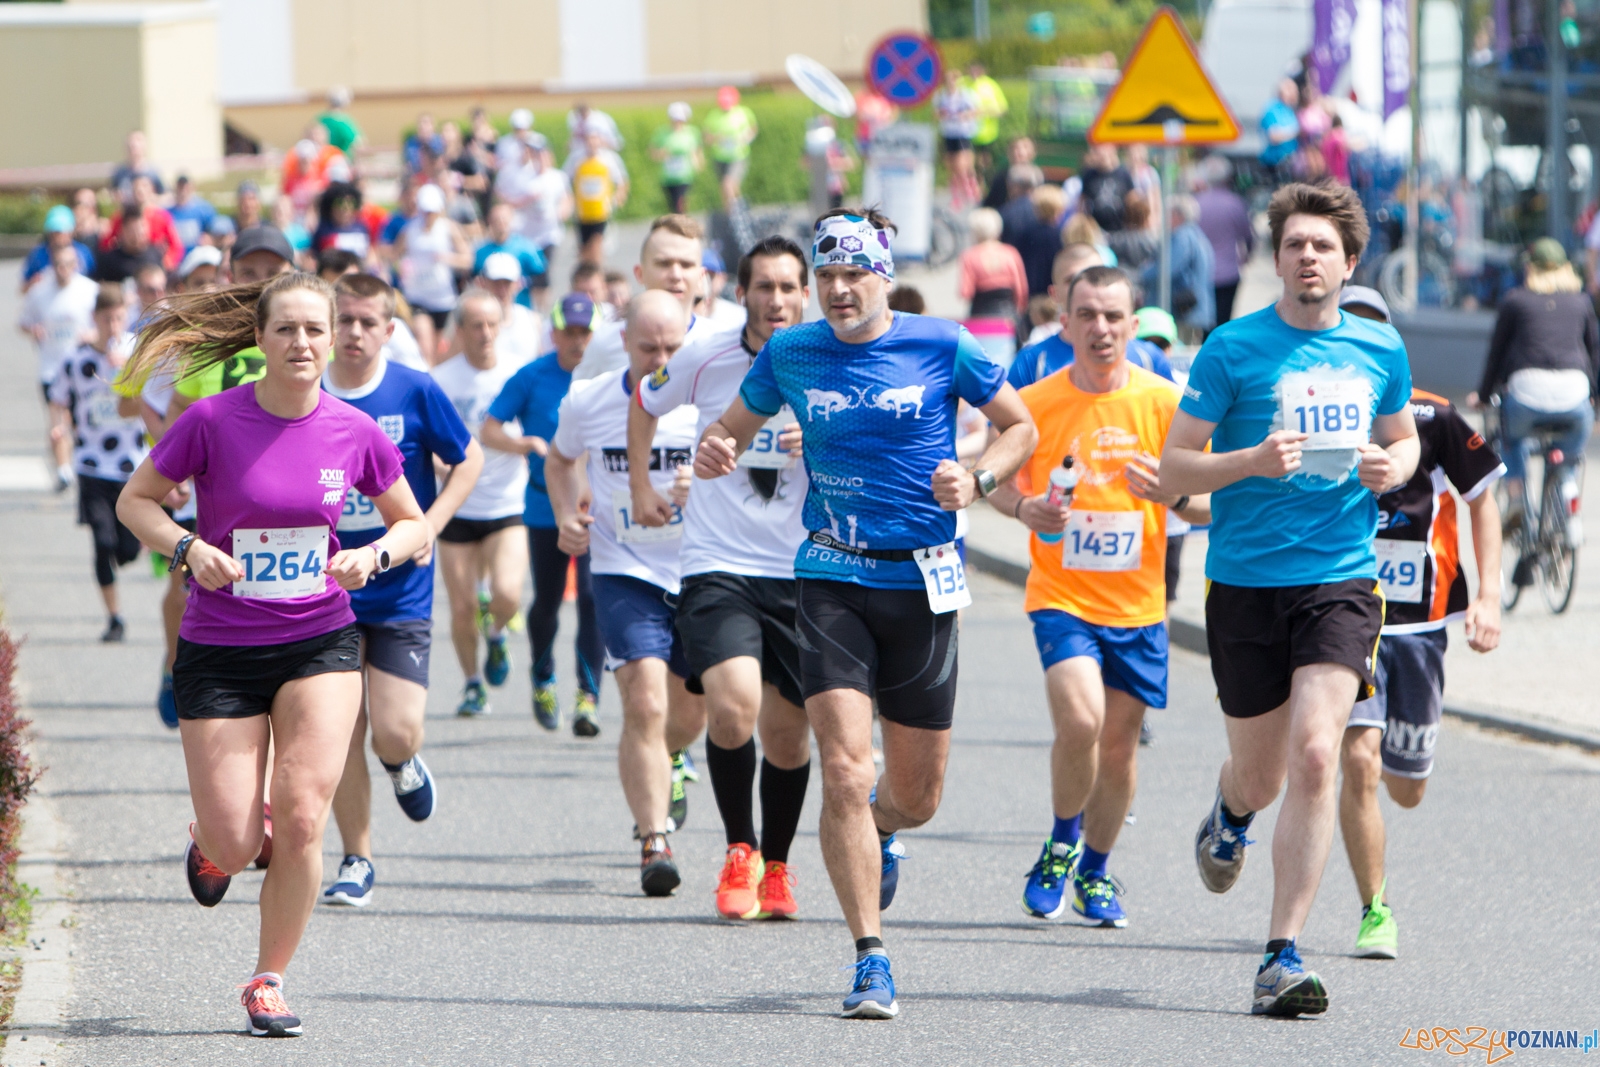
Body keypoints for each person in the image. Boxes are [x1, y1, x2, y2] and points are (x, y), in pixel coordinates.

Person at [693, 208, 1037, 1018]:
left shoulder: (943, 343)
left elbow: (1021, 425)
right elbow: (731, 428)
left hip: (922, 581)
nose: (839, 289)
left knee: (916, 795)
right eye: (827, 276)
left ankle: (883, 828)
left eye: (854, 274)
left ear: (883, 275)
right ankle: (870, 956)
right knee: (846, 770)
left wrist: (979, 480)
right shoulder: (790, 351)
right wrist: (716, 447)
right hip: (831, 575)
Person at [115, 271, 430, 1037]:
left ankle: (268, 980)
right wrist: (188, 547)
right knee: (238, 840)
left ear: (333, 338)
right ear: (258, 339)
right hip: (221, 645)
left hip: (320, 637)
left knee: (299, 816)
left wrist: (375, 555)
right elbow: (135, 500)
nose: (301, 342)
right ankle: (210, 842)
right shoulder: (212, 420)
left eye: (314, 329)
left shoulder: (354, 430)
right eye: (285, 328)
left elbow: (413, 522)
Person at [1160, 182, 1419, 1017]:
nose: (1308, 256)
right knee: (1262, 774)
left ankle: (1281, 955)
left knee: (1316, 754)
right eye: (1295, 244)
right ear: (1276, 258)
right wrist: (1250, 461)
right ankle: (1230, 809)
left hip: (1340, 578)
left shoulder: (1379, 347)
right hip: (1244, 582)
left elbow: (1404, 437)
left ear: (1350, 262)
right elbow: (1174, 467)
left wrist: (1392, 467)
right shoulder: (1231, 348)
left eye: (1323, 245)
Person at [986, 265, 1210, 927]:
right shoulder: (1035, 402)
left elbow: (1215, 502)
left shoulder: (1165, 402)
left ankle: (1095, 869)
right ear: (1065, 322)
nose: (1101, 328)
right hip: (1062, 595)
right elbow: (994, 479)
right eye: (1086, 314)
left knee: (1118, 747)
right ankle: (1061, 844)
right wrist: (1023, 507)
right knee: (1081, 722)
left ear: (1133, 326)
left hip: (1139, 604)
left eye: (1113, 316)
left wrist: (1171, 496)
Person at [629, 236, 814, 922]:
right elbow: (644, 400)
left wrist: (821, 440)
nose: (776, 300)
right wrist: (643, 483)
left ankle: (777, 865)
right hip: (718, 562)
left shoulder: (831, 362)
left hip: (802, 567)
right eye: (763, 286)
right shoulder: (704, 355)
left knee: (789, 735)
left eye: (788, 287)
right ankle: (740, 847)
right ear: (742, 294)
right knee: (734, 707)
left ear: (806, 295)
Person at [1334, 285, 1505, 960]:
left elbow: (1483, 499)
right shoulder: (1317, 414)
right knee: (1358, 761)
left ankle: (1382, 765)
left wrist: (1489, 596)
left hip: (1420, 626)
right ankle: (1374, 909)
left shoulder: (1435, 416)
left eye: (1374, 332)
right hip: (1345, 616)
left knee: (1406, 788)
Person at [320, 272, 484, 909]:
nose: (354, 333)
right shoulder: (306, 393)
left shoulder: (414, 390)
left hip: (398, 590)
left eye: (368, 322)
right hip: (324, 593)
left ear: (390, 330)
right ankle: (356, 858)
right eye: (345, 320)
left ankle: (402, 762)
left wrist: (429, 527)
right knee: (340, 730)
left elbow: (467, 459)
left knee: (393, 731)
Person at [545, 291, 707, 893]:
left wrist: (705, 481)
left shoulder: (709, 400)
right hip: (623, 570)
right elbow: (560, 461)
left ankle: (669, 760)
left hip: (700, 569)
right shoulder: (588, 400)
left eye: (672, 349)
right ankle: (653, 840)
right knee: (644, 705)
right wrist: (567, 515)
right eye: (648, 349)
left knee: (687, 716)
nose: (660, 361)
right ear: (623, 343)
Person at [481, 293, 604, 736]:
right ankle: (543, 676)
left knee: (591, 597)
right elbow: (489, 428)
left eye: (585, 332)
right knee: (548, 600)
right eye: (569, 332)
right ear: (553, 333)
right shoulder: (532, 376)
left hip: (597, 509)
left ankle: (588, 697)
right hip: (543, 505)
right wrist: (525, 444)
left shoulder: (610, 376)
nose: (578, 341)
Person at [429, 291, 528, 716]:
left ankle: (499, 632)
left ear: (501, 327)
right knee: (462, 606)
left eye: (491, 324)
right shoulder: (440, 380)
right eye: (475, 325)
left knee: (507, 594)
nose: (485, 333)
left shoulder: (518, 373)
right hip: (456, 504)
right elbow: (426, 437)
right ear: (460, 330)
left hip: (507, 501)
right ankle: (472, 684)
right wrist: (440, 466)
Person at [1473, 237, 1597, 539]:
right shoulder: (1581, 302)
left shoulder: (1515, 301)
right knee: (1569, 452)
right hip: (1575, 396)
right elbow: (1595, 353)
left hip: (1526, 397)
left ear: (1530, 268)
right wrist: (1595, 397)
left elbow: (1496, 354)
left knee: (1511, 437)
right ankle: (1567, 488)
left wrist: (1483, 395)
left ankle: (1516, 496)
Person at [50, 283, 144, 641]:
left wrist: (129, 372)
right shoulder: (77, 360)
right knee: (103, 543)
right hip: (91, 464)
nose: (113, 326)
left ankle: (132, 550)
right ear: (95, 318)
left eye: (119, 318)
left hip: (131, 464)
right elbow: (58, 398)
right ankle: (115, 618)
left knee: (128, 550)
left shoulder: (137, 354)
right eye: (107, 319)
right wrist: (58, 427)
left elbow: (157, 398)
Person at [1008, 245, 1174, 390]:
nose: (1086, 285)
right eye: (1072, 280)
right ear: (1054, 293)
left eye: (1094, 276)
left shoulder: (1148, 359)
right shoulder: (1033, 362)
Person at [575, 214, 711, 381]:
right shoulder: (605, 343)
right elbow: (580, 396)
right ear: (640, 273)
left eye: (686, 265)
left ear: (701, 276)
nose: (676, 275)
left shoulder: (718, 343)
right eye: (664, 263)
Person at [21, 241, 101, 488]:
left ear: (76, 265)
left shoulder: (90, 290)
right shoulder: (39, 291)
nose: (62, 269)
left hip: (83, 368)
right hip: (51, 368)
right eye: (58, 264)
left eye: (68, 264)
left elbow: (105, 322)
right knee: (58, 418)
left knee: (79, 420)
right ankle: (64, 469)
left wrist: (92, 335)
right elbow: (23, 322)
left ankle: (79, 461)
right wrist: (33, 330)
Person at [394, 184, 472, 362]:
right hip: (417, 295)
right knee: (424, 343)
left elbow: (467, 259)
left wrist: (447, 258)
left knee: (439, 349)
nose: (428, 215)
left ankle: (434, 374)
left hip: (442, 297)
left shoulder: (448, 228)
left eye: (432, 211)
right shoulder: (410, 229)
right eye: (425, 211)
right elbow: (395, 255)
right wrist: (402, 267)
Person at [494, 137, 571, 304]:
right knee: (528, 273)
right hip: (528, 233)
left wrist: (562, 212)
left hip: (549, 233)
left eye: (543, 154)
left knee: (543, 271)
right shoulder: (525, 176)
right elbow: (511, 201)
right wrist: (526, 200)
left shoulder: (558, 177)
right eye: (537, 154)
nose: (540, 158)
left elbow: (566, 198)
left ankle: (541, 306)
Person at [1140, 195, 1215, 337]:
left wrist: (1143, 273)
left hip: (1185, 314)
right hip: (1193, 313)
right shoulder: (1197, 234)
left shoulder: (1182, 236)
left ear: (1177, 215)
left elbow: (1166, 269)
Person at [1195, 155, 1254, 329]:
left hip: (1202, 273)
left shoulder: (1196, 203)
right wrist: (1246, 256)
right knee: (1224, 322)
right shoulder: (1235, 203)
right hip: (1229, 273)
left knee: (1203, 324)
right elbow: (1248, 236)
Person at [565, 130, 630, 265]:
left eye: (595, 139)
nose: (592, 143)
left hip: (601, 211)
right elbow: (564, 179)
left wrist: (618, 197)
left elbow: (621, 181)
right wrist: (569, 199)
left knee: (596, 246)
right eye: (589, 139)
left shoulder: (608, 159)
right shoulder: (576, 158)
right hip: (582, 212)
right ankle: (586, 273)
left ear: (600, 141)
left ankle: (597, 272)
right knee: (583, 250)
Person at [473, 203, 548, 310]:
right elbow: (475, 279)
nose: (501, 223)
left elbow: (541, 280)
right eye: (497, 219)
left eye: (504, 219)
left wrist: (540, 308)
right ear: (489, 220)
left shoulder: (527, 248)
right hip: (490, 309)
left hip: (521, 306)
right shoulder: (480, 251)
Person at [959, 208, 1029, 320]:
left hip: (980, 314)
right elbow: (1021, 290)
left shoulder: (969, 256)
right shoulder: (1010, 253)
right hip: (1008, 314)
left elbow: (966, 292)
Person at [478, 252, 542, 366]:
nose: (501, 289)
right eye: (496, 283)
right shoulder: (472, 321)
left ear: (518, 284)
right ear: (483, 283)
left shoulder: (532, 319)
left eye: (507, 283)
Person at [704, 86, 759, 210]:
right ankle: (733, 209)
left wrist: (746, 138)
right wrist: (717, 138)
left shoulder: (743, 112)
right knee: (726, 187)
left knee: (728, 183)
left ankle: (734, 212)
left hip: (738, 156)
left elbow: (753, 129)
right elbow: (707, 137)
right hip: (719, 157)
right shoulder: (713, 115)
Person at [934, 69, 982, 210]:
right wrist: (942, 114)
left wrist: (965, 115)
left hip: (963, 133)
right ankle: (956, 195)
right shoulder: (940, 95)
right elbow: (936, 113)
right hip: (948, 133)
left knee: (962, 165)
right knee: (951, 166)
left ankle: (971, 191)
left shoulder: (966, 95)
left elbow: (976, 110)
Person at [23, 204, 96, 289]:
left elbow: (94, 282)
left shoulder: (84, 253)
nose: (58, 236)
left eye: (62, 231)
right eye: (54, 231)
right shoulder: (38, 255)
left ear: (71, 231)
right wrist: (33, 284)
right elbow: (24, 288)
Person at [1068, 144, 1134, 234]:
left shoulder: (1123, 174)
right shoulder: (1089, 175)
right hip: (1097, 228)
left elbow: (1131, 199)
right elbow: (1082, 201)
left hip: (1120, 227)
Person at [652, 102, 703, 215]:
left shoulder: (691, 132)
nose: (678, 122)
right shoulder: (662, 133)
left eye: (680, 120)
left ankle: (683, 222)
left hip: (685, 177)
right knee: (672, 206)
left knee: (681, 204)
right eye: (675, 119)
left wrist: (698, 163)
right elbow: (653, 152)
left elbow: (697, 150)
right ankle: (678, 222)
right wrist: (661, 154)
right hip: (668, 177)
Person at [963, 62, 1009, 183]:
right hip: (964, 133)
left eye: (977, 70)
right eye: (971, 70)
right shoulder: (962, 83)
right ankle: (970, 185)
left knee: (983, 161)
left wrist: (982, 112)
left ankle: (983, 182)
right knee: (966, 161)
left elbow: (1002, 109)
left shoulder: (991, 85)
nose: (974, 73)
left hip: (986, 134)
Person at [93, 208, 164, 285]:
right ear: (123, 230)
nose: (137, 235)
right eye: (132, 230)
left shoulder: (155, 254)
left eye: (140, 229)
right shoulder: (110, 260)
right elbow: (100, 285)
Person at [1105, 191, 1158, 272]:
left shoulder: (1117, 239)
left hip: (1123, 275)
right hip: (1144, 277)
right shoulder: (1151, 241)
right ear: (1145, 219)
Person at [1260, 79, 1301, 176]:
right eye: (1292, 90)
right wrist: (1296, 133)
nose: (1296, 94)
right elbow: (1273, 136)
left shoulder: (1290, 110)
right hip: (1275, 163)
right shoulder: (1272, 109)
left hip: (1290, 162)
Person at [698, 247, 745, 331]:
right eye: (699, 276)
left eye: (709, 276)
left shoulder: (738, 318)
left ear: (722, 279)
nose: (704, 281)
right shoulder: (680, 316)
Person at [108, 131, 163, 201]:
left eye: (138, 141)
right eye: (131, 145)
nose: (134, 145)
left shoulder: (153, 173)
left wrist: (153, 198)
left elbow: (166, 195)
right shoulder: (120, 173)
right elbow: (111, 194)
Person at [169, 176, 218, 254]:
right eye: (180, 188)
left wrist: (209, 239)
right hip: (176, 256)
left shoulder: (204, 210)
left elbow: (214, 230)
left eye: (186, 188)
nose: (183, 191)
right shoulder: (168, 212)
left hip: (197, 254)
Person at [317, 86, 362, 155]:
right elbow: (357, 144)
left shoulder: (321, 119)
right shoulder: (343, 121)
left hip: (324, 159)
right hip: (341, 159)